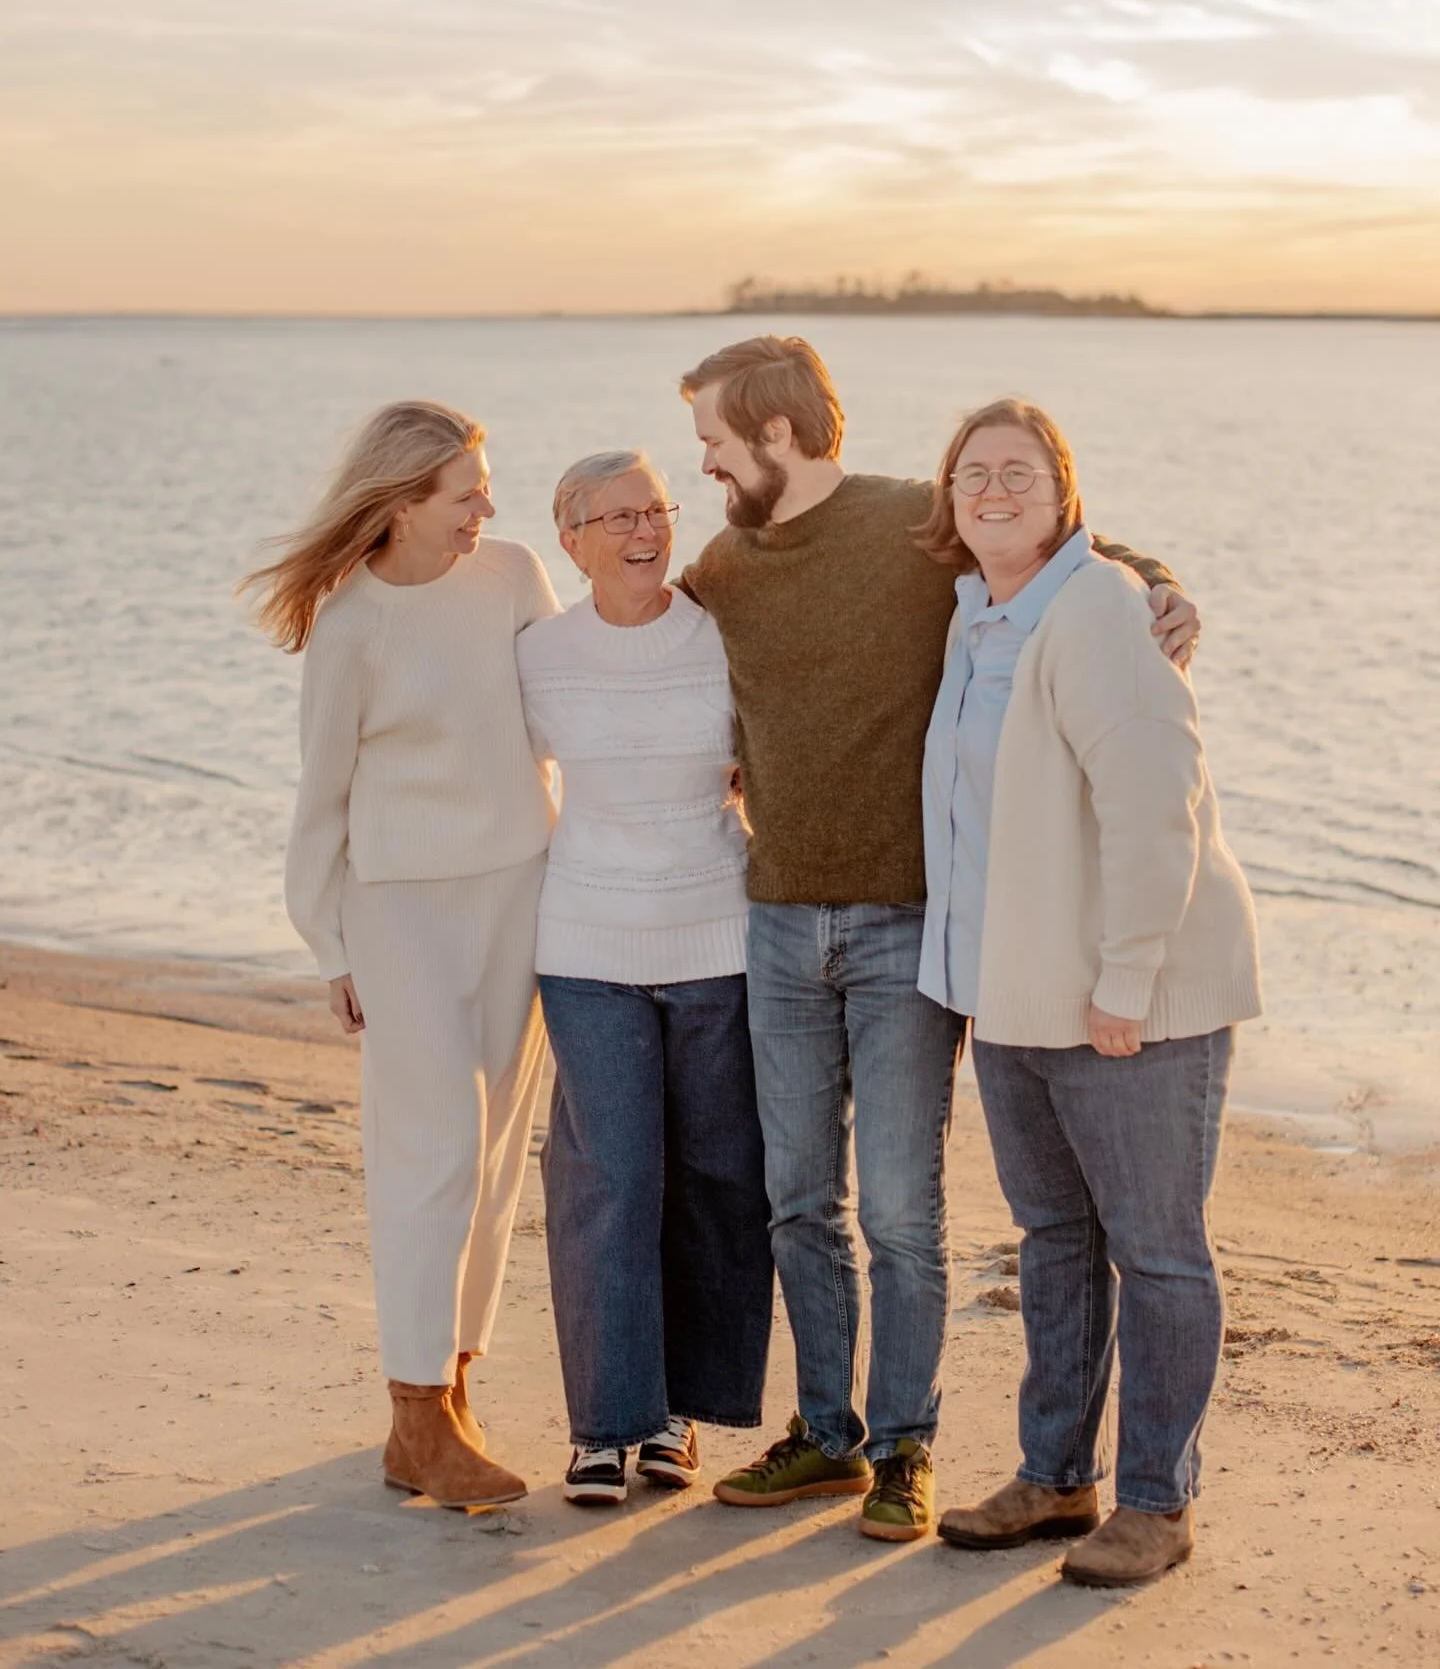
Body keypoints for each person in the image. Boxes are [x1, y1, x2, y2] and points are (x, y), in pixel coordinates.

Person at [675, 335, 1201, 1542]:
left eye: (715, 441)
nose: (705, 465)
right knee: (798, 1198)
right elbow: (637, 627)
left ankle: (907, 1445)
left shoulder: (921, 524)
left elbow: (1080, 554)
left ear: (776, 435)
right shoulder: (728, 562)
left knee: (901, 1210)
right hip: (775, 918)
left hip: (915, 928)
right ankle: (824, 1436)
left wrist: (1169, 585)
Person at [916, 399, 1261, 1588]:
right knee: (1055, 1241)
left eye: (1019, 472)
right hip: (1013, 995)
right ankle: (1057, 1476)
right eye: (973, 474)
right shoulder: (975, 616)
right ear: (949, 500)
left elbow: (1156, 809)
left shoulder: (1100, 610)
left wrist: (1124, 978)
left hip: (1132, 1004)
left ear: (1067, 493)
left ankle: (1158, 1503)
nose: (993, 490)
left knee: (1157, 1252)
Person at [242, 400, 559, 1508]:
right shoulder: (350, 625)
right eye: (466, 491)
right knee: (435, 1148)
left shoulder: (515, 575)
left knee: (499, 1149)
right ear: (403, 503)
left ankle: (454, 1388)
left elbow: (562, 714)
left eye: (483, 486)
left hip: (520, 888)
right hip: (399, 911)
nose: (487, 507)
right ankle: (413, 1412)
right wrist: (329, 943)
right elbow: (318, 800)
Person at [517, 451, 772, 1507]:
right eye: (613, 515)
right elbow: (480, 770)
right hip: (586, 945)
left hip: (718, 934)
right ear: (569, 539)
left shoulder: (724, 634)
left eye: (656, 507)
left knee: (717, 1177)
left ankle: (678, 1413)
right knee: (610, 1180)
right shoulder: (538, 653)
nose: (643, 529)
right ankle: (603, 1426)